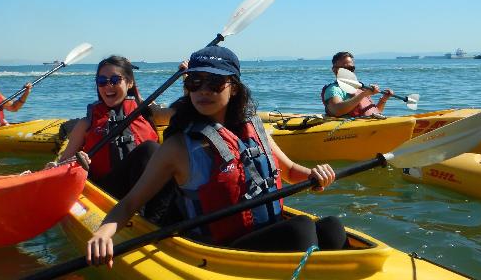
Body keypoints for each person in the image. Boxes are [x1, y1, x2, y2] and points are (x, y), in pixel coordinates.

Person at [87, 46, 348, 268]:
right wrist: (103, 234)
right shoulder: (178, 147)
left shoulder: (253, 128)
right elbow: (131, 202)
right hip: (218, 253)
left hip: (265, 235)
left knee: (332, 228)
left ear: (233, 88)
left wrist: (316, 175)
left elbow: (290, 170)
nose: (203, 91)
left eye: (214, 83)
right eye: (194, 83)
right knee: (300, 229)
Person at [56, 56, 175, 219]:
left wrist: (188, 82)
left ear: (130, 83)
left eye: (114, 80)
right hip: (108, 192)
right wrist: (78, 162)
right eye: (102, 81)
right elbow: (61, 167)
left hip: (149, 188)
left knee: (167, 150)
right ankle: (149, 221)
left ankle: (161, 218)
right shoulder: (86, 124)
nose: (108, 86)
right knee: (149, 149)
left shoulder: (147, 113)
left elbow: (182, 114)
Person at [321, 51, 393, 117]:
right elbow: (336, 111)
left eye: (351, 68)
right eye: (344, 68)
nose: (348, 71)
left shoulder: (358, 88)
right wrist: (364, 94)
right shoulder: (333, 89)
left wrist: (383, 99)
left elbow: (375, 112)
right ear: (334, 70)